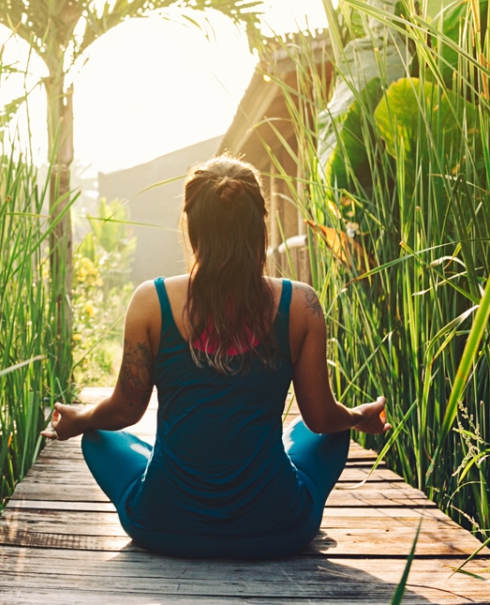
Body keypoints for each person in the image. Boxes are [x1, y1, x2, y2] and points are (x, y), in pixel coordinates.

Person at [42, 155, 390, 559]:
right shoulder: (301, 304)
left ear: (191, 227)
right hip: (278, 527)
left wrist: (78, 421)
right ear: (260, 225)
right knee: (323, 433)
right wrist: (356, 416)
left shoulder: (150, 302)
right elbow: (321, 419)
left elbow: (124, 411)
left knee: (98, 436)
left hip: (161, 525)